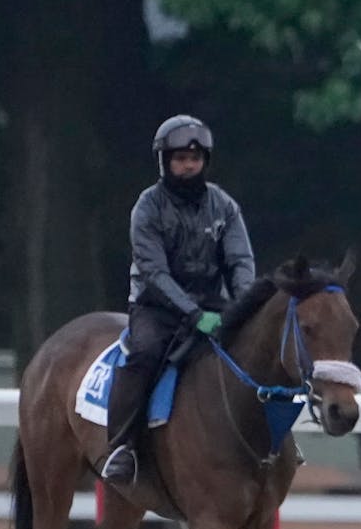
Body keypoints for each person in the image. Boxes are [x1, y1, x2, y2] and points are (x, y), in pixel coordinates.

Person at [101, 114, 257, 484]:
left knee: (256, 349)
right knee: (144, 354)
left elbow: (240, 262)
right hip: (157, 307)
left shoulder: (225, 206)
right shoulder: (147, 207)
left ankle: (272, 444)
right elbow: (154, 274)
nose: (188, 166)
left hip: (212, 304)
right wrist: (192, 314)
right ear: (165, 162)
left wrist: (244, 307)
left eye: (195, 158)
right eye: (180, 159)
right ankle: (123, 447)